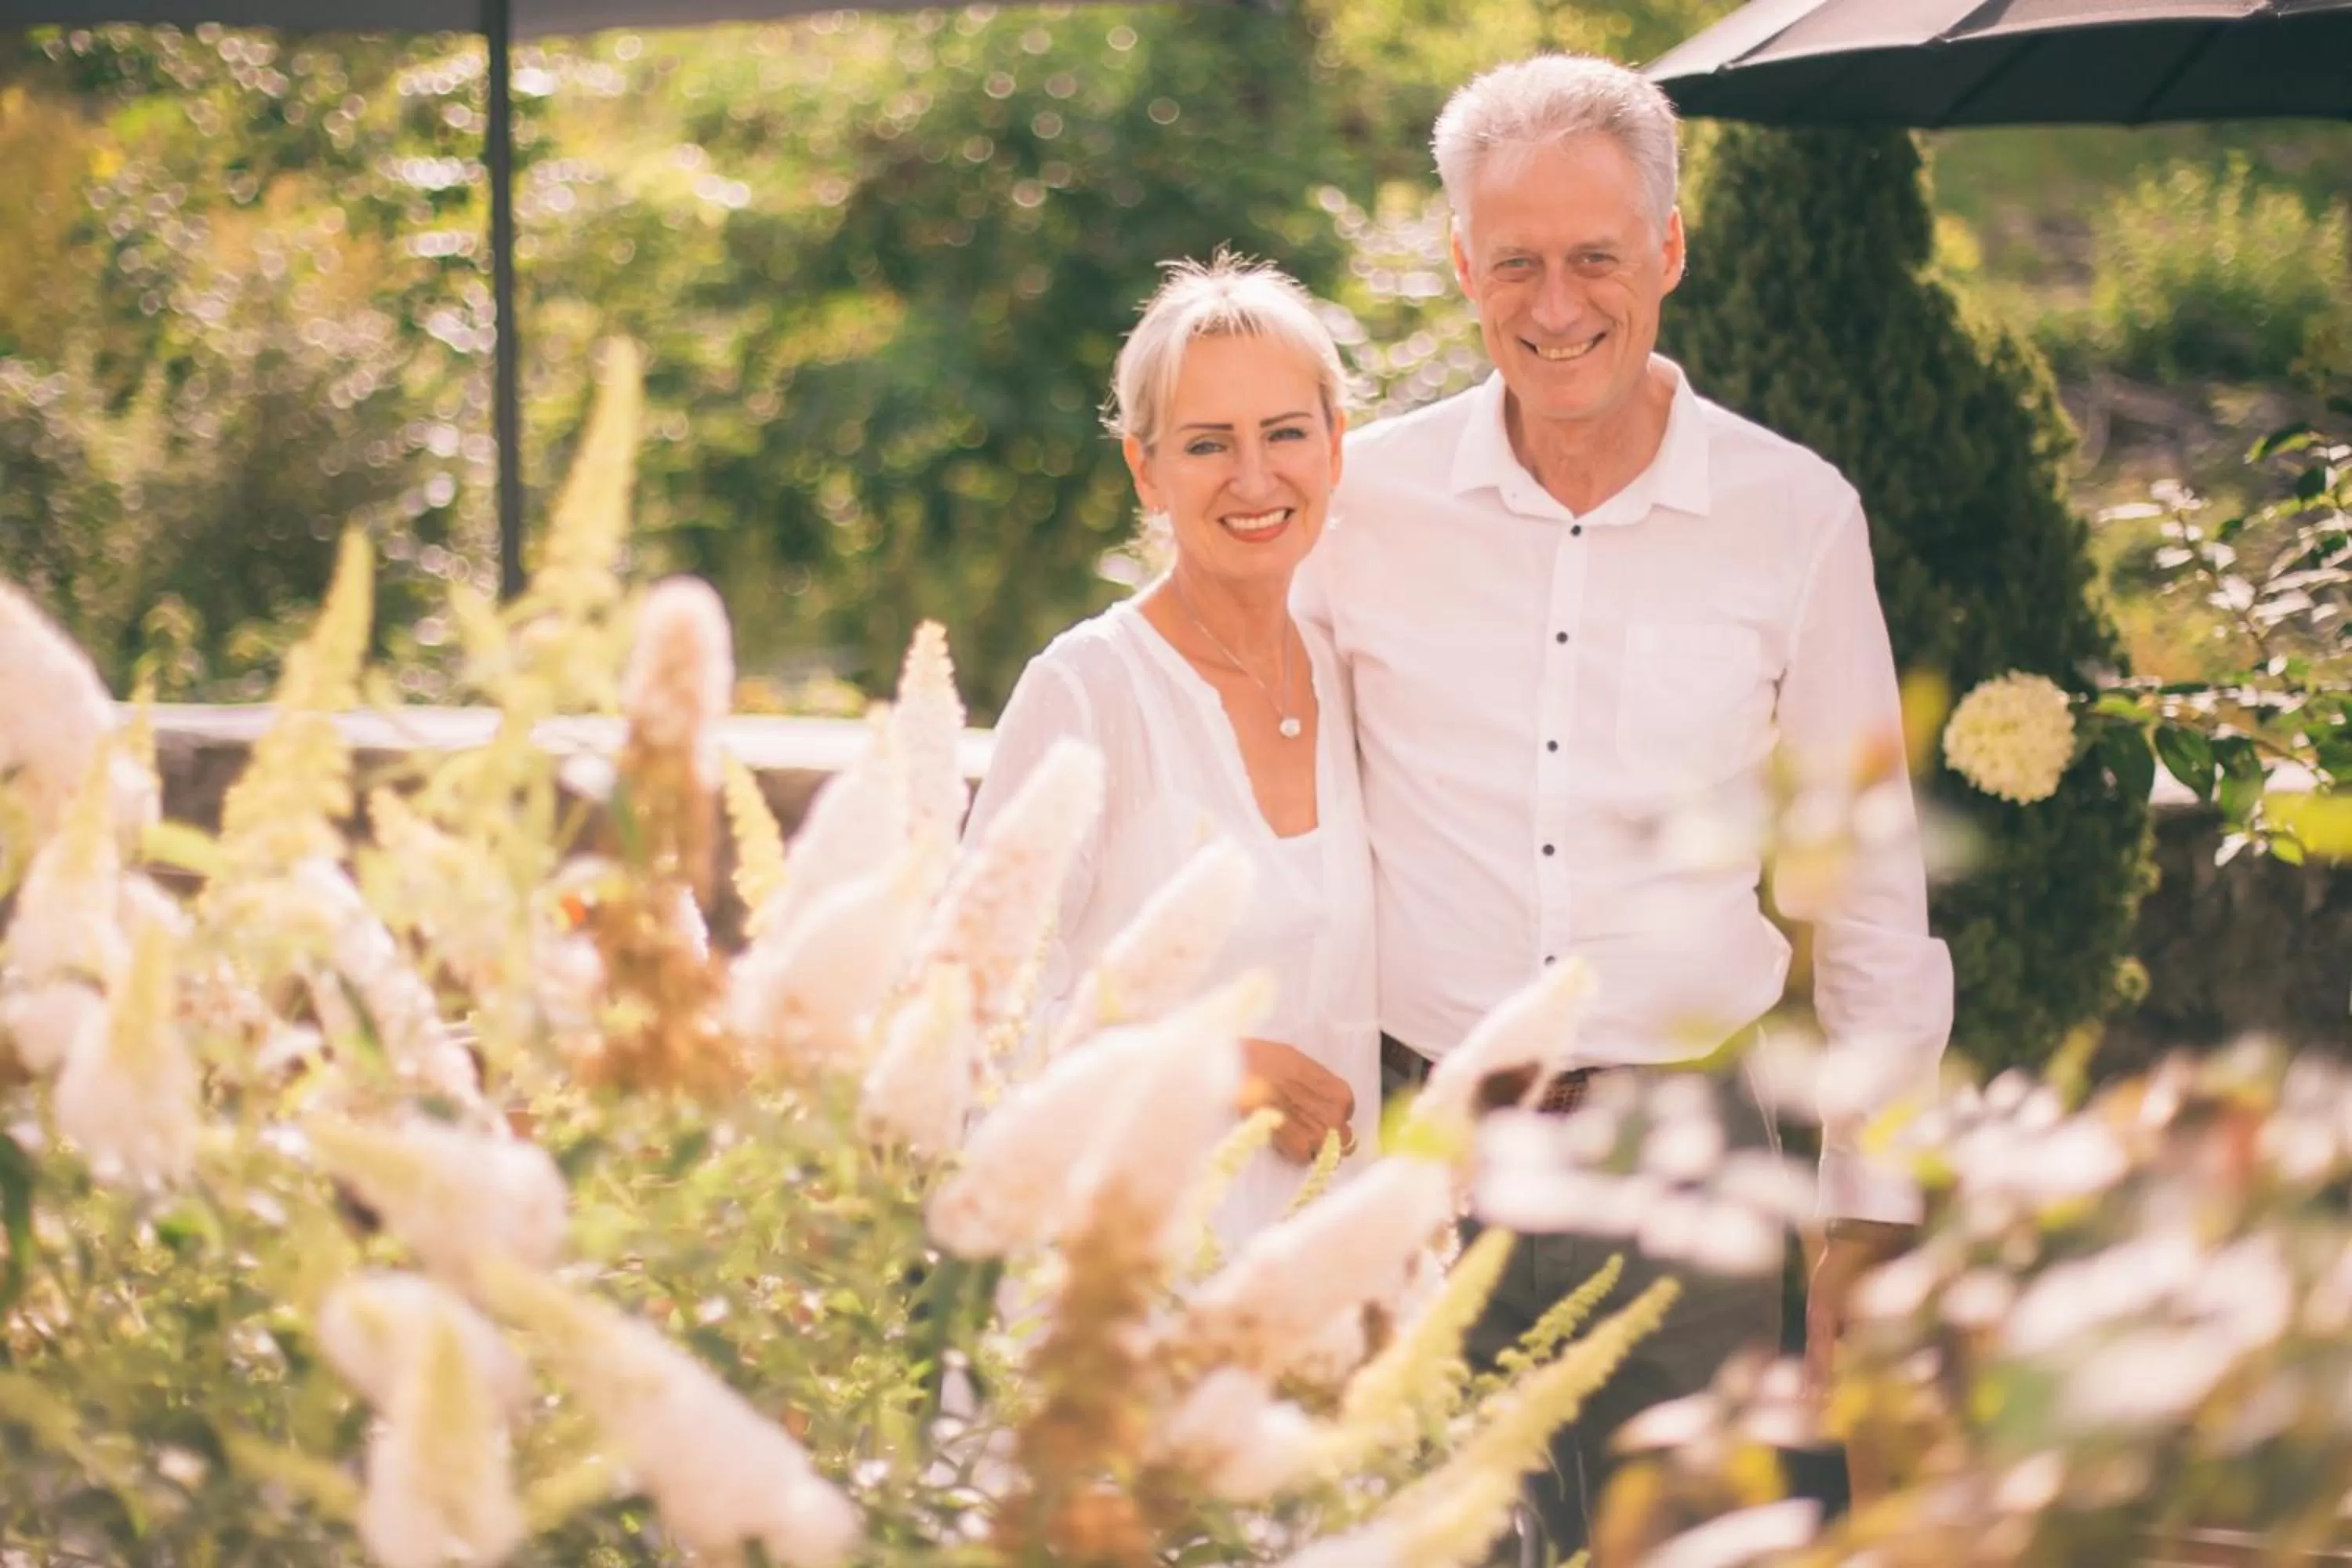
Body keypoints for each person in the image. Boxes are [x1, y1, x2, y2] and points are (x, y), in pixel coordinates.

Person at [1297, 54, 1954, 1556]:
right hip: (1422, 1161)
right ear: (1461, 261)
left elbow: (1866, 889)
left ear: (1669, 248)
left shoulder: (1793, 516)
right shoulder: (1359, 507)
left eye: (1597, 255)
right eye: (1514, 260)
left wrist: (1872, 1217)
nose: (1556, 303)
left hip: (1694, 1170)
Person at [964, 256, 1377, 1244]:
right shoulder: (1087, 691)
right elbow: (970, 1011)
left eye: (1285, 433)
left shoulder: (1358, 677)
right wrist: (1213, 1063)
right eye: (1206, 444)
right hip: (1117, 1288)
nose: (1254, 476)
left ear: (1335, 447)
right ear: (1145, 469)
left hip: (1322, 1292)